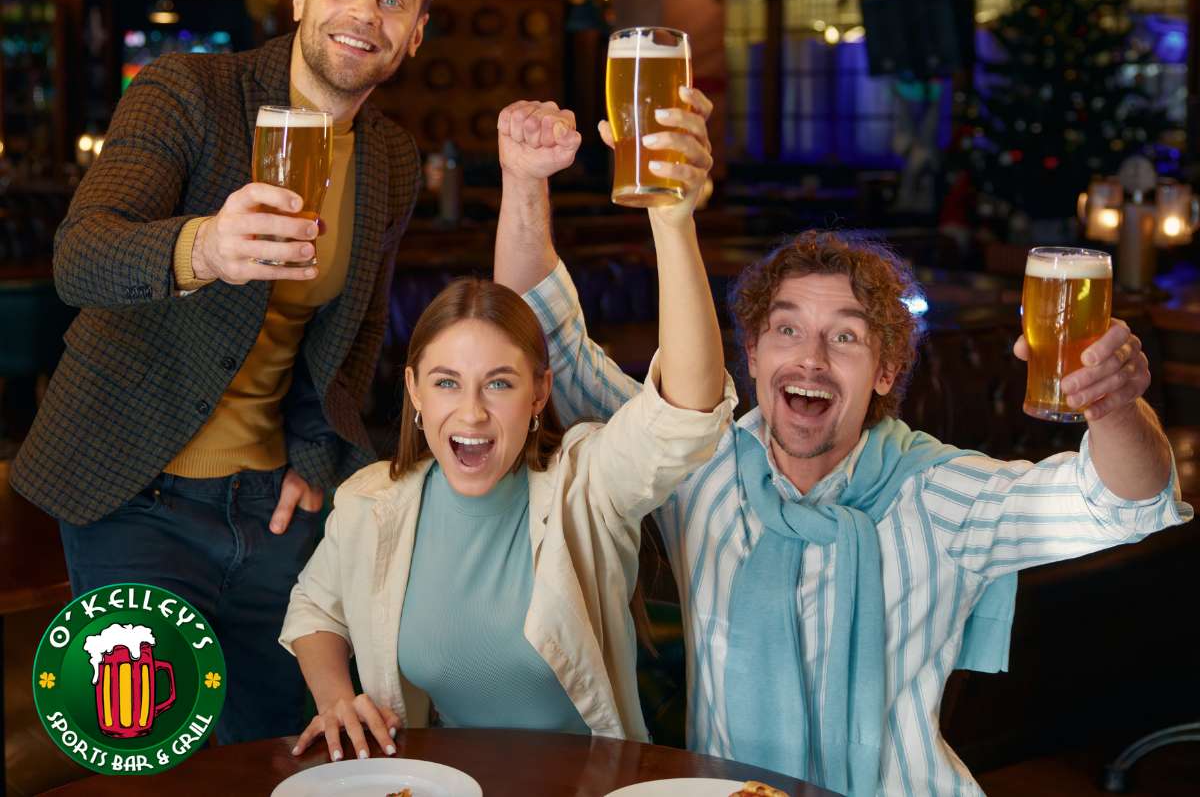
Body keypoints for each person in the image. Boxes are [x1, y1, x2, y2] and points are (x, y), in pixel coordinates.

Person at [493, 102, 1192, 795]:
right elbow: (545, 347)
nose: (811, 359)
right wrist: (524, 180)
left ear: (886, 371)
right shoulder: (699, 462)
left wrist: (1116, 405)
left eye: (847, 338)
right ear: (755, 357)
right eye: (787, 331)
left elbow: (1128, 503)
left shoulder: (938, 492)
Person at [12, 0, 441, 744]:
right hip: (136, 492)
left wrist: (315, 459)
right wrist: (202, 248)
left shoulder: (392, 157)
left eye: (394, 0)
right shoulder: (191, 90)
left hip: (275, 512)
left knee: (285, 753)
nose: (365, 14)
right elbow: (80, 255)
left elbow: (352, 340)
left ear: (416, 32)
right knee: (148, 752)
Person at [279, 93, 733, 761]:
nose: (470, 413)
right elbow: (314, 609)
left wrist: (673, 220)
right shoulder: (372, 502)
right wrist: (334, 696)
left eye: (499, 383)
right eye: (445, 384)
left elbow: (686, 414)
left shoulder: (586, 486)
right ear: (412, 393)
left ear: (537, 393)